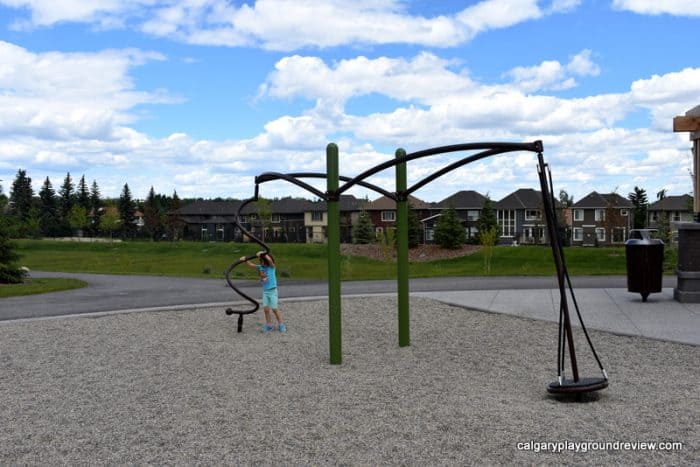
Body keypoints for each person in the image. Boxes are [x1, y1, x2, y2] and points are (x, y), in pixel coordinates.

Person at [241, 250, 285, 333]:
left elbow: (270, 260)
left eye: (262, 261)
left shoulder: (272, 267)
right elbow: (251, 265)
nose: (261, 263)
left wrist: (263, 254)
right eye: (260, 261)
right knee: (266, 310)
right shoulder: (260, 267)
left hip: (272, 291)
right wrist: (245, 260)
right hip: (265, 292)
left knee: (275, 309)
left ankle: (281, 324)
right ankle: (269, 325)